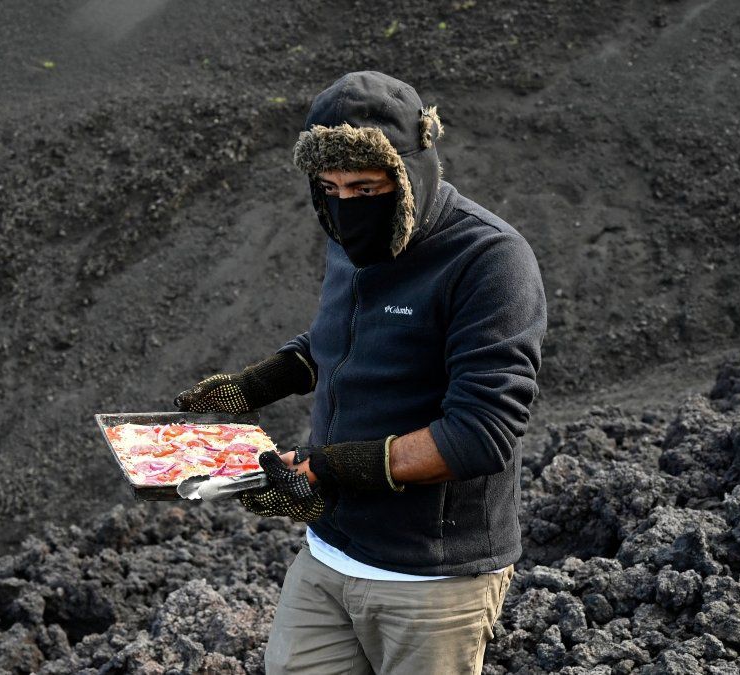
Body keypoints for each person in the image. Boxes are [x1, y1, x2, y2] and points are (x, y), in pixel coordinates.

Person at [175, 71, 546, 675]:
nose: (347, 208)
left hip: (431, 574)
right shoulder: (349, 234)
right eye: (330, 187)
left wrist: (327, 468)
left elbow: (482, 434)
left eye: (367, 188)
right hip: (330, 551)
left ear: (414, 173)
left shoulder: (489, 261)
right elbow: (342, 339)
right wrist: (257, 384)